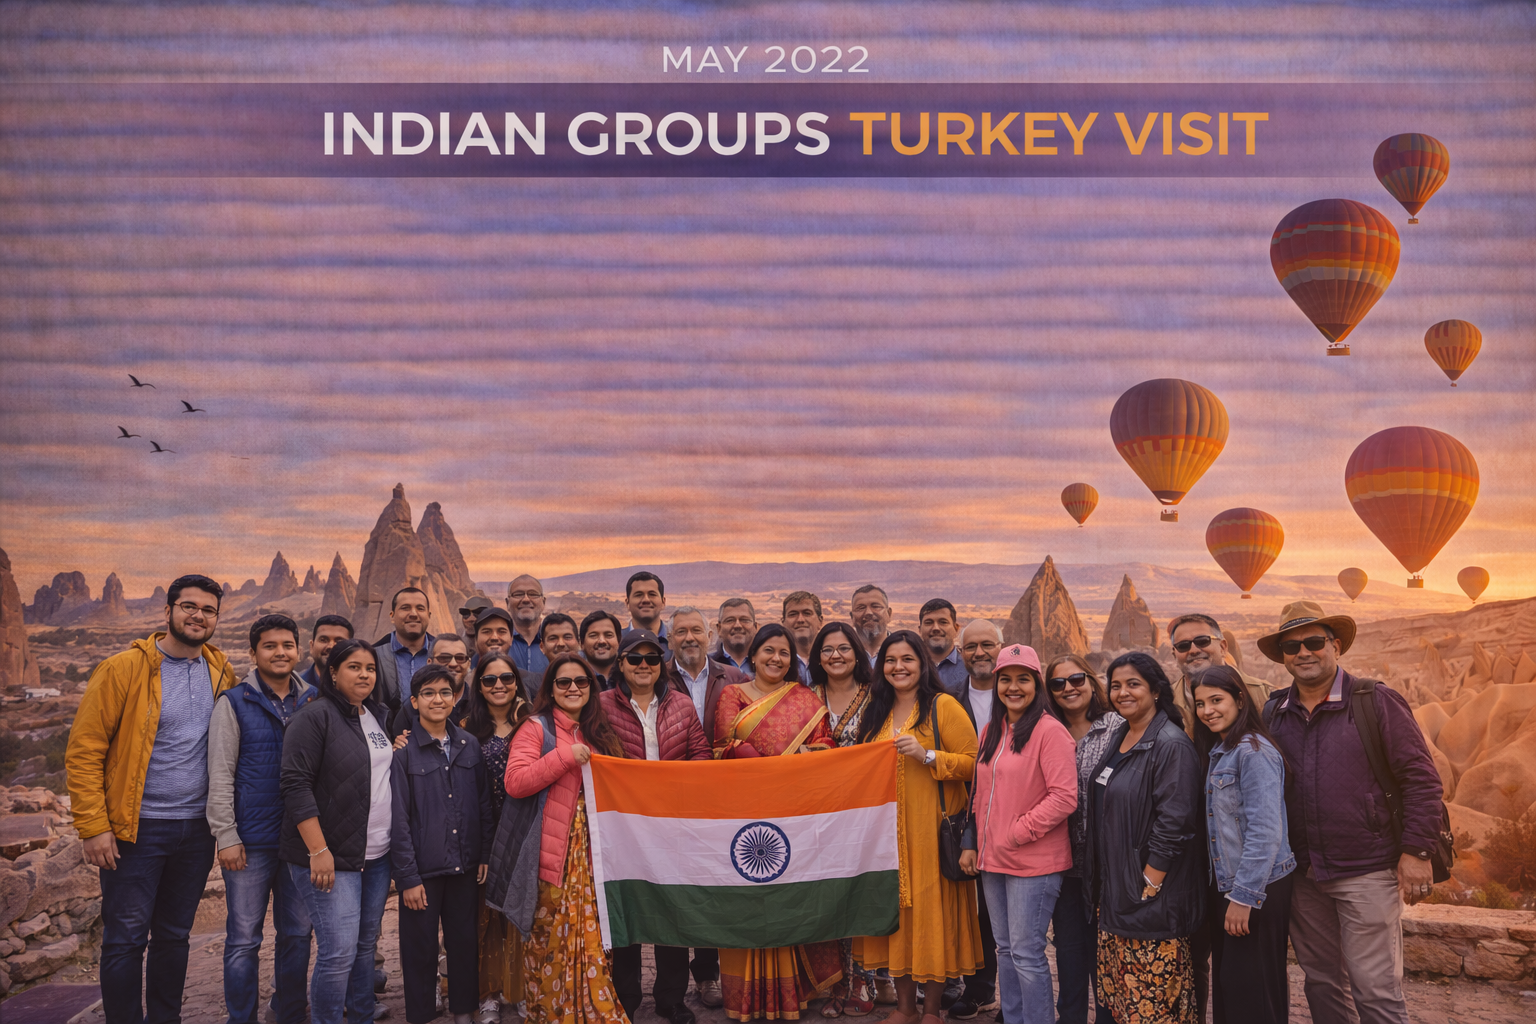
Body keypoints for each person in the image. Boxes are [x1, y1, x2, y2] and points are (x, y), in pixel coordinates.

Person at [1258, 602, 1442, 1024]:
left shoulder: (1373, 701)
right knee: (1321, 982)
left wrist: (1417, 851)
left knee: (1374, 988)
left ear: (1335, 646)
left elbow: (1422, 780)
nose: (1303, 652)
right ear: (1282, 656)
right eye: (1291, 646)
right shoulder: (1274, 713)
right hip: (1304, 875)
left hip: (1367, 870)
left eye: (1314, 641)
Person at [66, 574, 236, 1024]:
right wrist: (94, 826)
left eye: (208, 610)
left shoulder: (220, 671)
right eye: (189, 606)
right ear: (168, 611)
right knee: (124, 939)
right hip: (135, 828)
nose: (198, 616)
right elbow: (84, 752)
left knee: (174, 936)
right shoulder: (124, 668)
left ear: (217, 618)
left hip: (196, 831)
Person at [852, 630, 983, 1024]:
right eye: (890, 660)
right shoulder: (876, 710)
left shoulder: (942, 706)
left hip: (931, 837)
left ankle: (930, 1011)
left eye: (907, 659)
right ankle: (905, 1009)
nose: (898, 667)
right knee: (900, 926)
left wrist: (927, 754)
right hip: (888, 840)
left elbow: (974, 762)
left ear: (922, 663)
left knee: (932, 922)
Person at [713, 625, 843, 1020]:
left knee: (793, 896)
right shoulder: (731, 695)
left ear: (793, 659)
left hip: (794, 812)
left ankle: (797, 992)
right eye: (768, 651)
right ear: (753, 655)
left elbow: (826, 748)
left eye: (784, 653)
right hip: (744, 814)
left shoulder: (804, 699)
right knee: (750, 898)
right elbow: (721, 747)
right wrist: (757, 760)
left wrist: (792, 760)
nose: (776, 659)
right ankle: (747, 996)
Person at [501, 653, 629, 1024]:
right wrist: (566, 756)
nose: (573, 688)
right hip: (552, 857)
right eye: (564, 682)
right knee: (548, 944)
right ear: (551, 689)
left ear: (591, 688)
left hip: (597, 856)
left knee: (594, 944)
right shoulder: (535, 728)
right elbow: (516, 782)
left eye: (581, 682)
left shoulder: (601, 730)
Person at [208, 613, 318, 1024]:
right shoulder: (234, 703)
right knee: (243, 939)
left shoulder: (313, 700)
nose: (280, 652)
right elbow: (219, 773)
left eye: (287, 645)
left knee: (297, 934)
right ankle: (242, 1018)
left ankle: (289, 1013)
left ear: (298, 650)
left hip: (299, 840)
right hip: (250, 843)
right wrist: (226, 834)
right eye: (269, 646)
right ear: (253, 653)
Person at [959, 644, 1076, 1024]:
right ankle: (1013, 1018)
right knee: (1006, 949)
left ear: (1036, 684)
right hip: (993, 861)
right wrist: (973, 842)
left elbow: (1064, 797)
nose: (1013, 687)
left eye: (1022, 679)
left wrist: (1018, 831)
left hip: (1034, 862)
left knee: (1027, 953)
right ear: (995, 684)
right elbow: (979, 794)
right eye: (1005, 679)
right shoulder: (993, 730)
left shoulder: (1049, 731)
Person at [280, 638, 395, 1024]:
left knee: (364, 946)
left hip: (376, 855)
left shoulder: (376, 714)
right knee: (338, 950)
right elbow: (295, 784)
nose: (364, 674)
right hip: (329, 856)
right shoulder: (314, 717)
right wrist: (317, 850)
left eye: (370, 668)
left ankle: (361, 1014)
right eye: (354, 667)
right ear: (333, 673)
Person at [601, 630, 712, 1024]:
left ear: (661, 663)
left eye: (651, 658)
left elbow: (700, 753)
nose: (643, 665)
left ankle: (671, 999)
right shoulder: (600, 706)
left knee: (672, 913)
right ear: (621, 663)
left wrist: (676, 787)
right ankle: (626, 999)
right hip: (623, 828)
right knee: (628, 913)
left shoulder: (681, 706)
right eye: (635, 658)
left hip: (672, 826)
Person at [1086, 652, 1203, 1024]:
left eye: (1133, 684)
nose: (1122, 692)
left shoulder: (1170, 743)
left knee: (1152, 1004)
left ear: (1155, 690)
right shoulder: (1122, 733)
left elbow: (1176, 821)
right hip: (1117, 893)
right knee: (1123, 999)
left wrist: (1149, 881)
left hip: (1150, 901)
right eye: (1115, 685)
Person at [391, 665, 495, 1024]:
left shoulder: (469, 745)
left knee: (464, 943)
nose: (438, 700)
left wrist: (483, 852)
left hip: (465, 866)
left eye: (445, 693)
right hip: (423, 871)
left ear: (455, 699)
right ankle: (419, 1016)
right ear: (415, 701)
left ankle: (464, 1012)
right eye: (429, 693)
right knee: (419, 949)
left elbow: (483, 804)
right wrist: (407, 877)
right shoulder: (403, 753)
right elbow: (398, 817)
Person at [1192, 665, 1295, 1024]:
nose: (1207, 711)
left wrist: (1243, 897)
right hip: (1232, 886)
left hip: (1255, 888)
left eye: (1216, 700)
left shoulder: (1252, 751)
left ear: (1239, 700)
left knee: (1251, 993)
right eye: (1200, 703)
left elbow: (1266, 831)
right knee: (1236, 988)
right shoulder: (1222, 749)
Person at [1042, 654, 1120, 1024]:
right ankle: (1069, 1017)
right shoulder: (1043, 729)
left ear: (1091, 681)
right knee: (1069, 948)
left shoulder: (1118, 728)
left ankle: (1106, 1017)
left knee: (1105, 949)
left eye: (1076, 680)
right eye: (1058, 684)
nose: (1068, 688)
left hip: (1106, 862)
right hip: (1061, 859)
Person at [463, 654, 530, 1024]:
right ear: (479, 687)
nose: (499, 685)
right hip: (483, 836)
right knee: (485, 918)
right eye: (489, 680)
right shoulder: (466, 729)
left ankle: (519, 992)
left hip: (524, 832)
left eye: (506, 678)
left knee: (520, 916)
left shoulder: (532, 725)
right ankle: (488, 994)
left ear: (517, 682)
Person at [948, 619, 1005, 1021]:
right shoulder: (948, 699)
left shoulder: (1021, 696)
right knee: (979, 910)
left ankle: (1024, 999)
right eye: (971, 647)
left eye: (988, 645)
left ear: (1002, 648)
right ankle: (981, 989)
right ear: (960, 652)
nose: (980, 653)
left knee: (1017, 918)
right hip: (963, 818)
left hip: (1014, 819)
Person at [668, 606, 748, 778]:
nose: (689, 638)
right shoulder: (658, 680)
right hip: (676, 778)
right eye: (681, 632)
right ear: (669, 640)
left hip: (726, 776)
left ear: (709, 637)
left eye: (697, 631)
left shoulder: (735, 678)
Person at [1166, 613, 1271, 740]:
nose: (1193, 650)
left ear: (1223, 647)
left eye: (1203, 641)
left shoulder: (1265, 695)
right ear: (1174, 654)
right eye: (1183, 646)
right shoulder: (1165, 702)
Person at [373, 586, 435, 718]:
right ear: (392, 616)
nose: (413, 614)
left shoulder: (443, 654)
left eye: (420, 608)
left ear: (429, 616)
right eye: (405, 608)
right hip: (388, 734)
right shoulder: (374, 655)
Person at [918, 599, 967, 697]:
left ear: (956, 628)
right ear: (920, 629)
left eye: (943, 622)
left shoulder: (969, 669)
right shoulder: (910, 667)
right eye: (929, 622)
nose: (936, 628)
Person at [505, 575, 549, 681]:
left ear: (543, 602)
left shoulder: (555, 643)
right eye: (518, 594)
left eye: (533, 594)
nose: (525, 599)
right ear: (507, 603)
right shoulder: (499, 643)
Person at [781, 591, 825, 681]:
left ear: (820, 621)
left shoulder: (831, 660)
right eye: (793, 614)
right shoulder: (777, 662)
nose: (800, 620)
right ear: (783, 622)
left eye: (807, 613)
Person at [302, 614, 355, 688]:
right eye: (323, 640)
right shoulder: (294, 687)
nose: (331, 646)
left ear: (351, 649)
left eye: (339, 641)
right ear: (311, 646)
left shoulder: (361, 687)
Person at [579, 610, 624, 688]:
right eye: (593, 635)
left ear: (619, 641)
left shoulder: (629, 676)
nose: (602, 641)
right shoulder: (573, 678)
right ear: (582, 643)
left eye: (608, 635)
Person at [712, 598, 757, 674]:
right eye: (730, 620)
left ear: (755, 627)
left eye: (744, 620)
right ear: (719, 629)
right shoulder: (707, 665)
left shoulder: (767, 664)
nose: (737, 625)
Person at [850, 586, 892, 661]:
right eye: (861, 608)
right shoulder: (844, 654)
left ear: (889, 613)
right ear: (852, 617)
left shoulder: (903, 650)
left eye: (876, 606)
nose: (868, 613)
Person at [625, 571, 670, 639]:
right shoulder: (616, 642)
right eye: (638, 595)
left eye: (652, 594)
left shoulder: (677, 642)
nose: (646, 600)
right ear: (627, 603)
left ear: (663, 602)